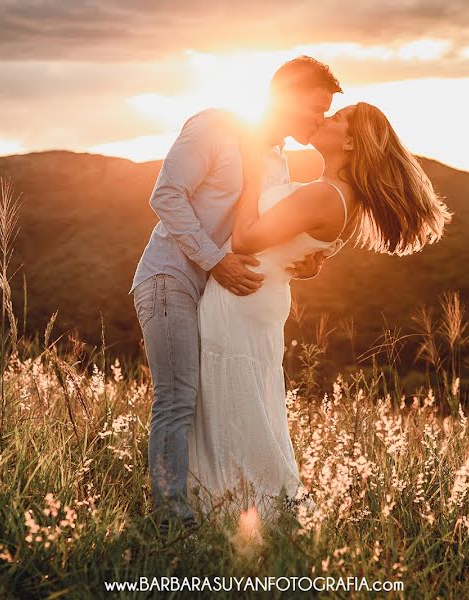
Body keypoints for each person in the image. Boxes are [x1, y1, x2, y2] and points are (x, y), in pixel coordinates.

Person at [188, 101, 453, 525]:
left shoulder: (325, 194)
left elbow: (244, 240)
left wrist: (252, 177)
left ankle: (237, 510)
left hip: (240, 297)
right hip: (262, 298)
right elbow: (307, 249)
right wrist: (310, 260)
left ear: (350, 141)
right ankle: (242, 508)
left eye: (337, 117)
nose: (324, 119)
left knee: (231, 403)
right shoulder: (340, 196)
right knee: (249, 401)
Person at [130, 56, 343, 536]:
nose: (320, 120)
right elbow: (165, 196)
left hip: (217, 296)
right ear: (285, 96)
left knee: (203, 398)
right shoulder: (214, 127)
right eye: (315, 108)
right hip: (170, 279)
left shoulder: (277, 160)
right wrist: (215, 260)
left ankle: (213, 504)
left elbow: (260, 233)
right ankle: (171, 520)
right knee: (178, 395)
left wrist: (302, 263)